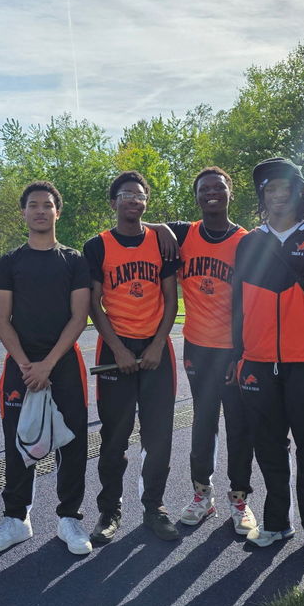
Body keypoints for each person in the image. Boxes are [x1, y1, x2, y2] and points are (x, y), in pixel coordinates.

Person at [234, 158, 304, 562]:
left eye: (285, 188)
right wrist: (238, 354)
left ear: (299, 193)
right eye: (270, 189)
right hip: (258, 362)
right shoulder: (249, 242)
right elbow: (237, 306)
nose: (278, 195)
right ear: (262, 195)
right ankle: (277, 523)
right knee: (268, 447)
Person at [0, 181, 93, 556]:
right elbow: (2, 321)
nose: (41, 210)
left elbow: (79, 317)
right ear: (24, 213)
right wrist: (28, 365)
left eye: (48, 205)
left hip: (62, 363)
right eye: (34, 205)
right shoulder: (10, 262)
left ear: (57, 212)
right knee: (17, 441)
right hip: (21, 365)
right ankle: (16, 518)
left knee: (73, 442)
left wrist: (48, 364)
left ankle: (69, 518)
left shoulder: (75, 260)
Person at [149, 167, 257, 536]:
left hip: (234, 349)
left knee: (239, 427)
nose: (211, 193)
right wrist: (162, 227)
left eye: (218, 187)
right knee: (203, 422)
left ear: (230, 192)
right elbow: (146, 226)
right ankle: (202, 495)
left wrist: (241, 353)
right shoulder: (184, 233)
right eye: (203, 189)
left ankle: (240, 498)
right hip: (197, 346)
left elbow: (251, 302)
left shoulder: (245, 240)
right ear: (196, 196)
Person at [83, 171, 180, 543]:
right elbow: (94, 303)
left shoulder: (161, 242)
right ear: (113, 202)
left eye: (139, 195)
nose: (133, 200)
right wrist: (120, 349)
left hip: (157, 347)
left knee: (159, 437)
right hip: (115, 348)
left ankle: (154, 506)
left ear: (146, 203)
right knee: (114, 438)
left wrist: (156, 344)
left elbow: (171, 299)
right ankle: (109, 509)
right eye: (125, 195)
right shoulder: (98, 246)